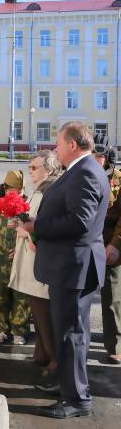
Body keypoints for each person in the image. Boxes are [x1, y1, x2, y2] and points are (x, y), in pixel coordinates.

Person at [22, 122, 109, 419]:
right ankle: (70, 387)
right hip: (71, 265)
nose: (55, 149)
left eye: (58, 144)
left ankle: (77, 400)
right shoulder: (81, 169)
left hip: (73, 267)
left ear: (72, 145)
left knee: (71, 334)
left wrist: (37, 227)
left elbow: (79, 222)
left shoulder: (86, 173)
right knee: (71, 332)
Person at [8, 151, 60, 378]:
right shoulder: (40, 189)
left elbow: (48, 225)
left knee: (44, 312)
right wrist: (19, 223)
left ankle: (55, 360)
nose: (30, 171)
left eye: (34, 167)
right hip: (31, 258)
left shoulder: (51, 190)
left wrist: (28, 232)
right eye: (29, 167)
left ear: (49, 169)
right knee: (37, 311)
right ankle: (42, 353)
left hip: (40, 260)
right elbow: (32, 219)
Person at [0, 171, 31, 345]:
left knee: (22, 298)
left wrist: (21, 250)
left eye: (20, 190)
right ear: (5, 189)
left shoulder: (28, 208)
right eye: (13, 190)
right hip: (0, 260)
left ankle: (19, 330)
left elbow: (32, 233)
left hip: (21, 260)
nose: (16, 194)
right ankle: (1, 329)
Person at [92, 134, 121, 365]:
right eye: (92, 154)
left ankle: (115, 345)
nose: (95, 159)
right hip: (84, 244)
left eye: (99, 155)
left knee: (113, 298)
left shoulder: (118, 180)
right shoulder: (80, 175)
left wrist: (114, 244)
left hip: (109, 244)